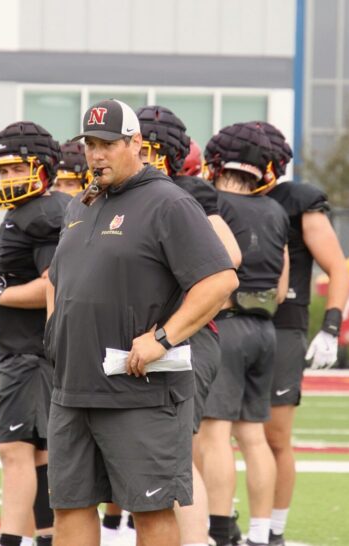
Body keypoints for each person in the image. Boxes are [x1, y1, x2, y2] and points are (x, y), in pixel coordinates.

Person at [45, 99, 239, 546]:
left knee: (150, 510)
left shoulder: (169, 202)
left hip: (139, 390)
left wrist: (163, 337)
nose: (96, 155)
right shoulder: (81, 205)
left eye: (108, 145)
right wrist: (55, 337)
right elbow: (60, 281)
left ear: (137, 144)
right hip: (72, 388)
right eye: (91, 144)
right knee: (69, 506)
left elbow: (219, 281)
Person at [135, 104, 243, 546]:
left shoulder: (186, 195)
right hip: (149, 340)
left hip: (182, 339)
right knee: (155, 454)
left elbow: (228, 260)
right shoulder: (135, 193)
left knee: (174, 456)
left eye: (147, 148)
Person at [0, 121, 70, 546]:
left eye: (17, 169)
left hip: (30, 354)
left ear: (44, 167)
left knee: (14, 452)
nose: (9, 179)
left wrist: (2, 294)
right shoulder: (27, 212)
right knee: (40, 454)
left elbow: (56, 283)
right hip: (25, 353)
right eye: (2, 171)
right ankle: (45, 538)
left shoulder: (42, 213)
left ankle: (12, 539)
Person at [256, 122, 349, 546]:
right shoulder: (218, 193)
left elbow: (338, 268)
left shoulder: (299, 201)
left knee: (275, 436)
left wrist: (331, 326)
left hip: (282, 323)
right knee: (216, 431)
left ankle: (273, 529)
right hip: (229, 320)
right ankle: (222, 520)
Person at [198, 122, 290, 546]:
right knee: (253, 435)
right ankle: (262, 532)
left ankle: (218, 528)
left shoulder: (213, 202)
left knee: (214, 432)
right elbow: (283, 284)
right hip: (265, 328)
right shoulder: (275, 210)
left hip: (228, 325)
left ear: (216, 163)